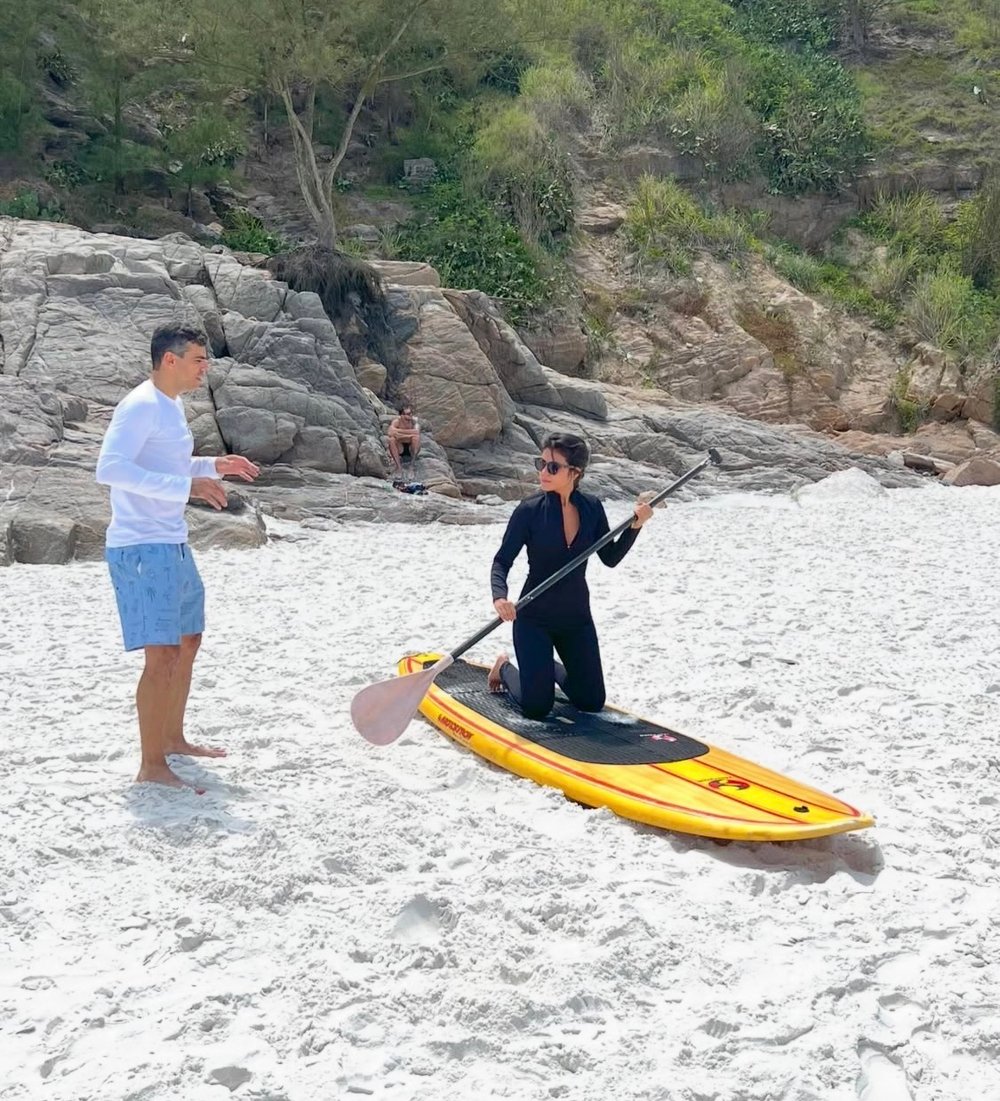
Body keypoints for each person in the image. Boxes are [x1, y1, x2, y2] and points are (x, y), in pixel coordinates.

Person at [95, 323, 260, 790]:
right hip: (141, 545)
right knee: (162, 653)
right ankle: (151, 766)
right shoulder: (140, 405)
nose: (204, 369)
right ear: (170, 360)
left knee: (189, 640)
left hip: (172, 541)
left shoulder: (170, 406)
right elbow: (110, 468)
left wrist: (212, 465)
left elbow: (164, 465)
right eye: (198, 360)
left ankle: (171, 738)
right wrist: (185, 487)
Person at [487, 432, 654, 720]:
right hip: (533, 619)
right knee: (537, 707)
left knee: (591, 701)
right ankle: (503, 667)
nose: (543, 472)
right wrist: (500, 597)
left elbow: (609, 558)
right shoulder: (529, 511)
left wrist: (635, 527)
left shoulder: (591, 508)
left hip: (576, 618)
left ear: (575, 472)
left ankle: (545, 667)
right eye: (541, 463)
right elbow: (502, 561)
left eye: (553, 467)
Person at [387, 405, 421, 475]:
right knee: (392, 440)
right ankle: (398, 467)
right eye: (408, 414)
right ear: (402, 415)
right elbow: (390, 432)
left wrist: (399, 434)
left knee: (416, 438)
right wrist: (410, 434)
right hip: (400, 448)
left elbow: (416, 432)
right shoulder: (396, 422)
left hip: (410, 448)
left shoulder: (414, 422)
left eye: (411, 413)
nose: (411, 415)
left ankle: (411, 466)